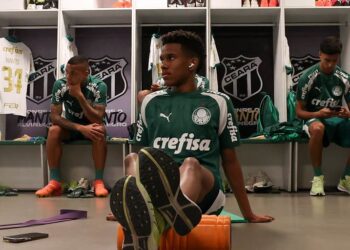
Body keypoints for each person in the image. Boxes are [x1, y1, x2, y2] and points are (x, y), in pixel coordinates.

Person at [109, 30, 273, 249]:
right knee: (132, 158)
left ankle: (152, 222)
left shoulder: (218, 103)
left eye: (171, 58)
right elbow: (143, 158)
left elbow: (230, 161)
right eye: (162, 59)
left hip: (205, 192)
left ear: (192, 63)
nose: (163, 65)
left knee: (190, 164)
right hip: (160, 189)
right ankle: (144, 213)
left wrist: (248, 213)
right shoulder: (150, 102)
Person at [35, 55, 108, 197]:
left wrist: (79, 96)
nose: (68, 76)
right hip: (72, 129)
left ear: (86, 73)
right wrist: (80, 128)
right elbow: (54, 116)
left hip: (92, 127)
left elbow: (97, 118)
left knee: (99, 130)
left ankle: (98, 181)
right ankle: (55, 181)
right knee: (53, 130)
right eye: (67, 72)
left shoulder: (99, 86)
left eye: (73, 73)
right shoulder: (60, 85)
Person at [296, 36, 350, 196]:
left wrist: (347, 113)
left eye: (334, 60)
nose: (330, 64)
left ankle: (346, 179)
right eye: (327, 60)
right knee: (318, 127)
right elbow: (299, 112)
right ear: (320, 54)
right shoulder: (307, 77)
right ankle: (318, 178)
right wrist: (317, 113)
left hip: (337, 121)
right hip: (314, 119)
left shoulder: (344, 78)